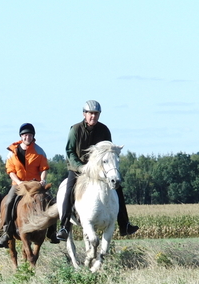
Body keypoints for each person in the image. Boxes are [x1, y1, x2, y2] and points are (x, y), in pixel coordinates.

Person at [56, 100, 139, 241]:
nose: (93, 116)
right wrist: (80, 167)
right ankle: (64, 227)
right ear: (84, 114)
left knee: (118, 188)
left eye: (96, 114)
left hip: (98, 171)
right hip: (78, 169)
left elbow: (109, 151)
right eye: (90, 114)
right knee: (69, 191)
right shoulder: (75, 129)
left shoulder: (104, 130)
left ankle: (125, 224)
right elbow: (69, 151)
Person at [0, 123, 58, 248]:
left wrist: (43, 180)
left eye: (30, 135)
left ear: (33, 136)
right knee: (8, 202)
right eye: (25, 135)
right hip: (18, 184)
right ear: (21, 136)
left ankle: (52, 232)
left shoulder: (39, 151)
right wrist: (19, 182)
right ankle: (6, 231)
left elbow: (44, 168)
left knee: (51, 201)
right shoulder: (12, 152)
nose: (27, 137)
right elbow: (11, 171)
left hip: (34, 185)